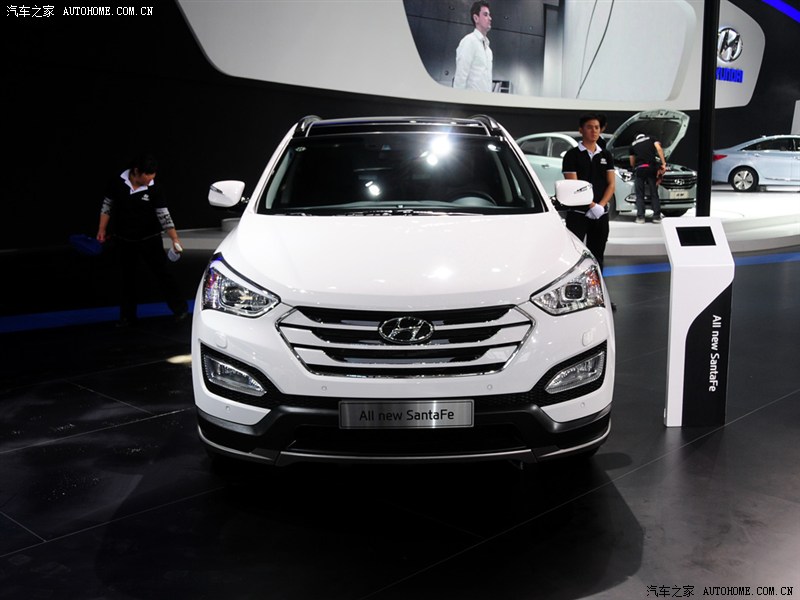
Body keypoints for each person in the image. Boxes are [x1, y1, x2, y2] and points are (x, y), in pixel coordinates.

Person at [97, 153, 188, 326]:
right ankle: (127, 317)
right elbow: (107, 205)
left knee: (162, 274)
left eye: (153, 175)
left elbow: (163, 214)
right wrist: (102, 229)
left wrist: (175, 238)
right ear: (136, 171)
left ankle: (180, 310)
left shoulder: (155, 188)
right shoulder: (117, 182)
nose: (151, 178)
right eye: (148, 175)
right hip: (124, 239)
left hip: (149, 238)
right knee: (127, 279)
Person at [561, 113, 616, 305]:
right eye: (590, 127)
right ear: (581, 130)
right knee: (574, 256)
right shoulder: (572, 155)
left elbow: (611, 184)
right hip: (578, 214)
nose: (594, 131)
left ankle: (600, 297)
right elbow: (574, 185)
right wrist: (590, 205)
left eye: (597, 127)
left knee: (598, 256)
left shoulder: (606, 155)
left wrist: (600, 207)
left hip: (600, 214)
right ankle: (571, 298)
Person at [453, 2, 493, 92]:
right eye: (485, 15)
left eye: (489, 15)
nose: (490, 18)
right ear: (476, 18)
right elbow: (460, 78)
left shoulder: (488, 50)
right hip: (469, 99)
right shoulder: (469, 41)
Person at [629, 132, 667, 224]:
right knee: (654, 193)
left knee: (639, 194)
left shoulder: (632, 145)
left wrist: (634, 168)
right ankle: (656, 217)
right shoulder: (651, 138)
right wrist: (663, 163)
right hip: (651, 168)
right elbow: (659, 149)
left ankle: (640, 217)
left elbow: (632, 162)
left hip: (640, 169)